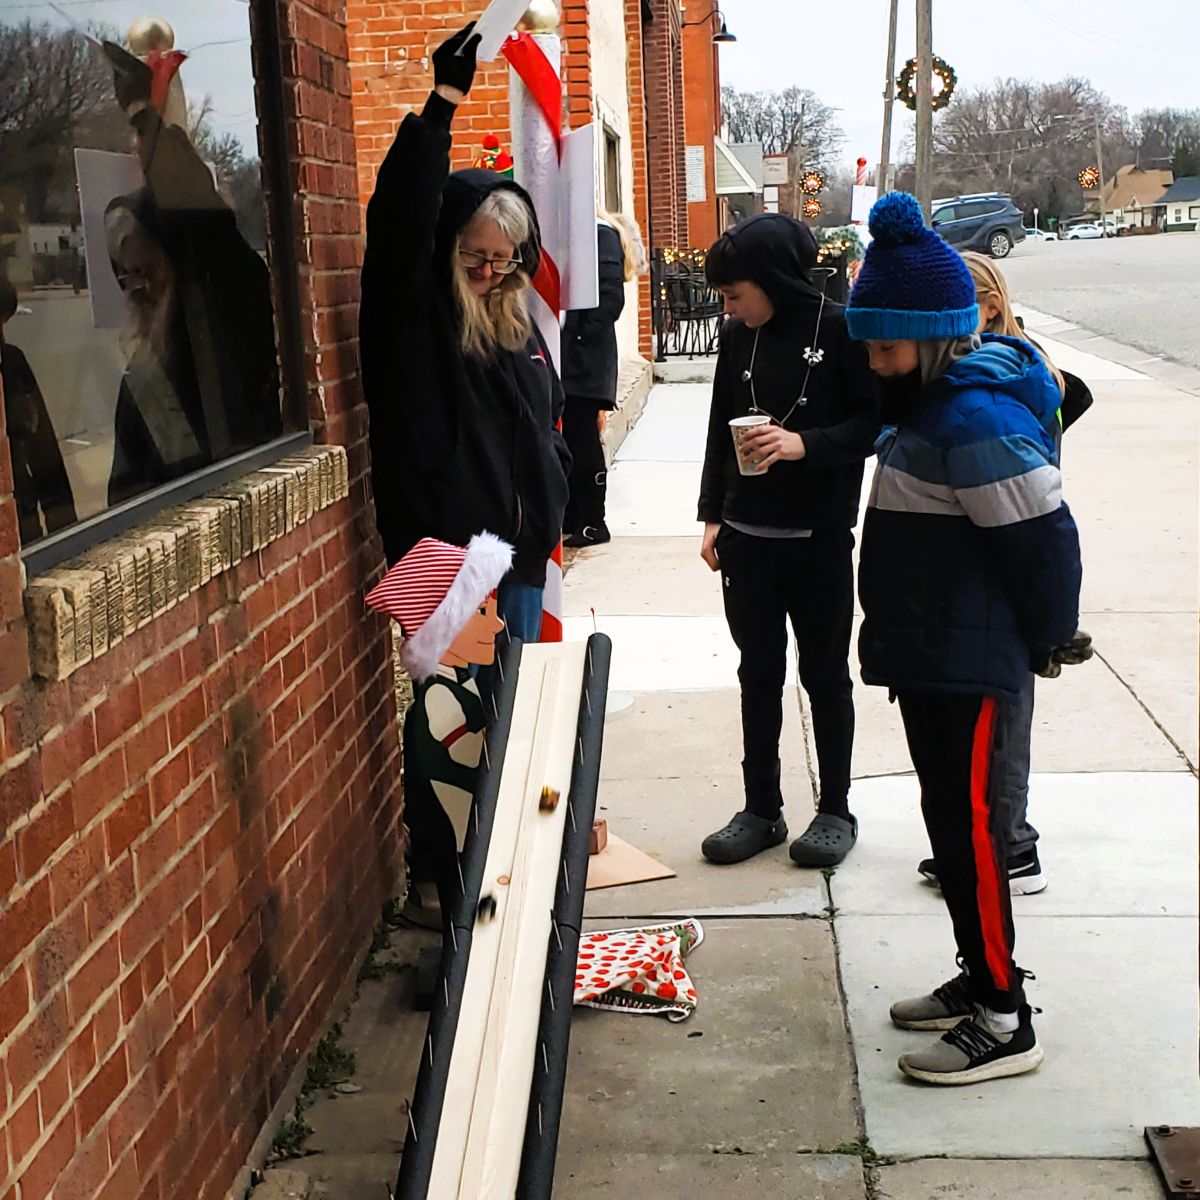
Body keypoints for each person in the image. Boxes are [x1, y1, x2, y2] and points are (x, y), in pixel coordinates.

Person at [847, 192, 1091, 1084]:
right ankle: (977, 974)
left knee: (979, 839)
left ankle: (1003, 1015)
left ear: (937, 335)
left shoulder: (973, 420)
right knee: (949, 829)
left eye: (885, 346)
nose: (875, 362)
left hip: (972, 662)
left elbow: (1043, 543)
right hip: (931, 652)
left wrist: (1048, 638)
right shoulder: (926, 407)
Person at [359, 23, 570, 653]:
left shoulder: (515, 323)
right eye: (473, 255)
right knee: (458, 738)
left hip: (522, 565)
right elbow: (400, 219)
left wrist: (553, 485)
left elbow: (547, 416)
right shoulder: (414, 313)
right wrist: (443, 103)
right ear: (446, 245)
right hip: (446, 570)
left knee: (514, 735)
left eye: (504, 259)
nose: (488, 271)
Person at [908, 251, 1096, 898]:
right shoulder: (1018, 361)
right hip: (989, 558)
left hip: (1000, 561)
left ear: (988, 304)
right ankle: (988, 839)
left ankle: (1013, 848)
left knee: (1004, 716)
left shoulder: (1001, 368)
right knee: (988, 715)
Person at [696, 214, 880, 869]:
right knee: (758, 674)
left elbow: (873, 424)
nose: (729, 306)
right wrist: (713, 514)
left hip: (819, 536)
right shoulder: (736, 338)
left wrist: (806, 444)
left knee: (824, 675)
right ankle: (761, 809)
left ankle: (835, 808)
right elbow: (722, 427)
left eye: (734, 293)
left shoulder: (842, 329)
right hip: (747, 537)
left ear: (773, 280)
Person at [102, 42, 281, 507]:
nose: (138, 288)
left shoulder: (228, 298)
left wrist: (147, 116)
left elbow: (200, 219)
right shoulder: (142, 381)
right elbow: (126, 495)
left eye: (148, 270)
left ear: (179, 259)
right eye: (128, 276)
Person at [365, 532, 514, 929]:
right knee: (469, 907)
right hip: (457, 827)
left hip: (466, 821)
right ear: (443, 627)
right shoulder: (438, 701)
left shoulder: (458, 685)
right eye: (483, 613)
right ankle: (464, 968)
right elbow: (469, 755)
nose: (498, 625)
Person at [560, 214, 641, 548]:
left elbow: (610, 300)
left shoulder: (598, 231)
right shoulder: (588, 231)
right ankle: (577, 515)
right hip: (577, 357)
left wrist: (575, 338)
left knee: (583, 442)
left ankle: (593, 520)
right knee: (574, 440)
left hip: (584, 361)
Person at [0, 278, 77, 543]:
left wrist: (64, 529)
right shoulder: (10, 361)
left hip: (22, 521)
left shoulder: (11, 362)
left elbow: (43, 451)